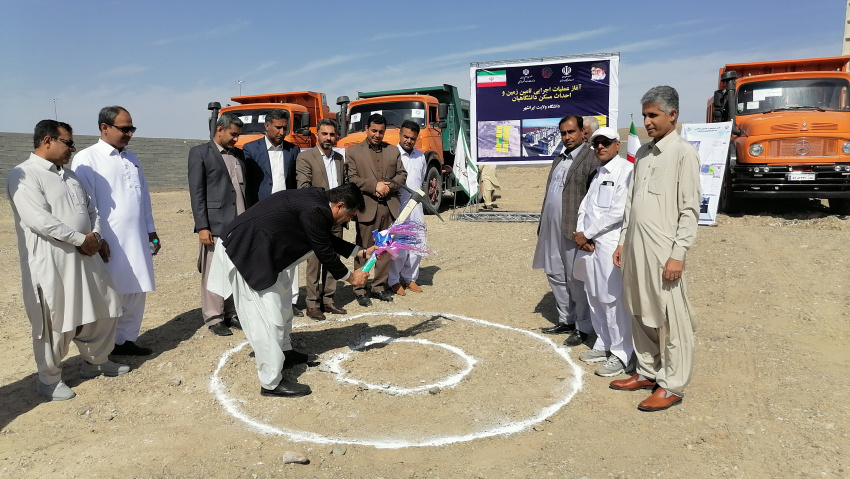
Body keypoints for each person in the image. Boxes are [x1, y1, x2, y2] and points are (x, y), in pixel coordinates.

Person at [206, 183, 379, 397]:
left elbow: (322, 237)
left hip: (266, 253)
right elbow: (323, 249)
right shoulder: (315, 210)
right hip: (248, 254)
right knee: (268, 319)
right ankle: (271, 383)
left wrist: (359, 252)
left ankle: (285, 352)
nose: (349, 220)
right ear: (340, 205)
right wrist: (351, 277)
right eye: (350, 215)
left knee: (284, 306)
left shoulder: (318, 201)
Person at [8, 120, 130, 401]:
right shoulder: (24, 174)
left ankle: (96, 362)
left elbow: (92, 209)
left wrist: (96, 236)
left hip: (86, 257)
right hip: (52, 262)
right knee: (54, 320)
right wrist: (80, 240)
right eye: (69, 143)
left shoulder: (70, 176)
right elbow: (38, 220)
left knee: (105, 306)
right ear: (48, 141)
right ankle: (48, 380)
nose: (73, 149)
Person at [610, 86, 700, 412]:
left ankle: (672, 385)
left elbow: (690, 210)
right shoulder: (644, 153)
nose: (647, 121)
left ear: (672, 115)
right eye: (645, 115)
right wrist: (622, 241)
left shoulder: (683, 153)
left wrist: (678, 254)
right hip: (635, 247)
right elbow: (630, 203)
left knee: (670, 317)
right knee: (639, 310)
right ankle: (647, 372)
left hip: (664, 251)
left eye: (653, 115)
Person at [72, 106, 158, 356]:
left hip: (137, 237)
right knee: (110, 292)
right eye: (124, 128)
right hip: (109, 239)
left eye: (131, 128)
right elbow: (85, 204)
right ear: (104, 127)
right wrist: (97, 239)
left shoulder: (131, 158)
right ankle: (104, 346)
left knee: (136, 289)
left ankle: (126, 340)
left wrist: (151, 231)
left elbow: (144, 199)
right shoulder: (88, 159)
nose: (129, 134)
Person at [573, 127, 634, 377]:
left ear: (617, 144)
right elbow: (585, 207)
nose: (600, 147)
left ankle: (622, 354)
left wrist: (588, 234)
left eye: (605, 142)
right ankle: (604, 343)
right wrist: (580, 233)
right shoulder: (598, 173)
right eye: (596, 143)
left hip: (608, 243)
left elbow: (618, 211)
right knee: (594, 295)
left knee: (612, 298)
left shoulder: (626, 171)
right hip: (589, 244)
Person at [532, 115, 597, 346]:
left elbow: (594, 199)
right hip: (551, 228)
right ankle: (566, 319)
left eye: (571, 132)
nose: (567, 137)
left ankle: (583, 326)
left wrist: (588, 232)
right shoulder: (559, 159)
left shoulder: (591, 158)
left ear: (582, 132)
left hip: (573, 230)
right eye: (563, 133)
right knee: (554, 273)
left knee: (575, 278)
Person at [188, 113, 254, 336]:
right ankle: (214, 316)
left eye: (238, 135)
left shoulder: (239, 156)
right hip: (215, 225)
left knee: (235, 270)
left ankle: (231, 312)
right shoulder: (199, 153)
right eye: (233, 134)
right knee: (213, 272)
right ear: (219, 130)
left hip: (240, 223)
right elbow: (197, 193)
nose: (236, 139)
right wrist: (202, 226)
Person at [242, 109, 304, 318]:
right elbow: (248, 185)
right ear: (266, 126)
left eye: (285, 127)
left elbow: (295, 182)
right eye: (278, 127)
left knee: (290, 255)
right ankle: (264, 298)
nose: (282, 131)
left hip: (287, 212)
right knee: (264, 255)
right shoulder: (250, 149)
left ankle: (291, 299)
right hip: (261, 211)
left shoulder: (293, 150)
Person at [345, 113, 407, 306]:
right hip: (366, 208)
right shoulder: (354, 152)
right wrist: (374, 186)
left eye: (381, 131)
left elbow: (402, 174)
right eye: (374, 130)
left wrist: (388, 186)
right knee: (364, 249)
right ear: (366, 129)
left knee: (385, 249)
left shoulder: (393, 151)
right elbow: (352, 179)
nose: (377, 135)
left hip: (388, 207)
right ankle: (360, 288)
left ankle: (379, 286)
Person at [295, 119, 347, 320]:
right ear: (318, 135)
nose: (329, 138)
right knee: (314, 262)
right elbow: (304, 188)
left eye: (332, 134)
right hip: (317, 218)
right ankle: (312, 303)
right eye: (325, 134)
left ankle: (329, 300)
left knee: (333, 259)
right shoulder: (306, 158)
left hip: (337, 219)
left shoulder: (340, 159)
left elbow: (345, 186)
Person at [389, 120, 427, 295]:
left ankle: (410, 278)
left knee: (417, 244)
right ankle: (394, 281)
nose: (408, 141)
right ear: (399, 134)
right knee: (398, 247)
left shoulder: (420, 156)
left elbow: (422, 178)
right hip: (399, 207)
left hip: (416, 208)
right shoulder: (392, 154)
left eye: (412, 138)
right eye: (405, 136)